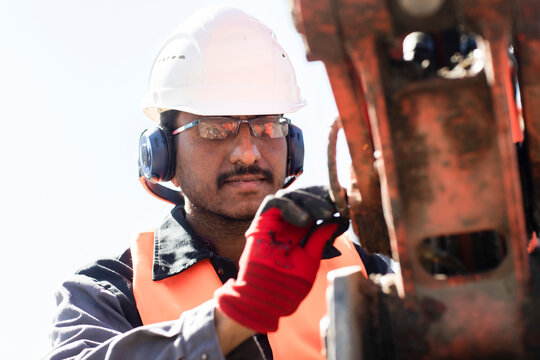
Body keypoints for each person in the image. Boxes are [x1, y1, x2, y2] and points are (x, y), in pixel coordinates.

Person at [45, 6, 391, 360]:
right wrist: (236, 315)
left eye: (267, 125)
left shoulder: (368, 269)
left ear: (292, 147)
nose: (248, 152)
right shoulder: (110, 291)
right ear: (163, 154)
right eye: (215, 127)